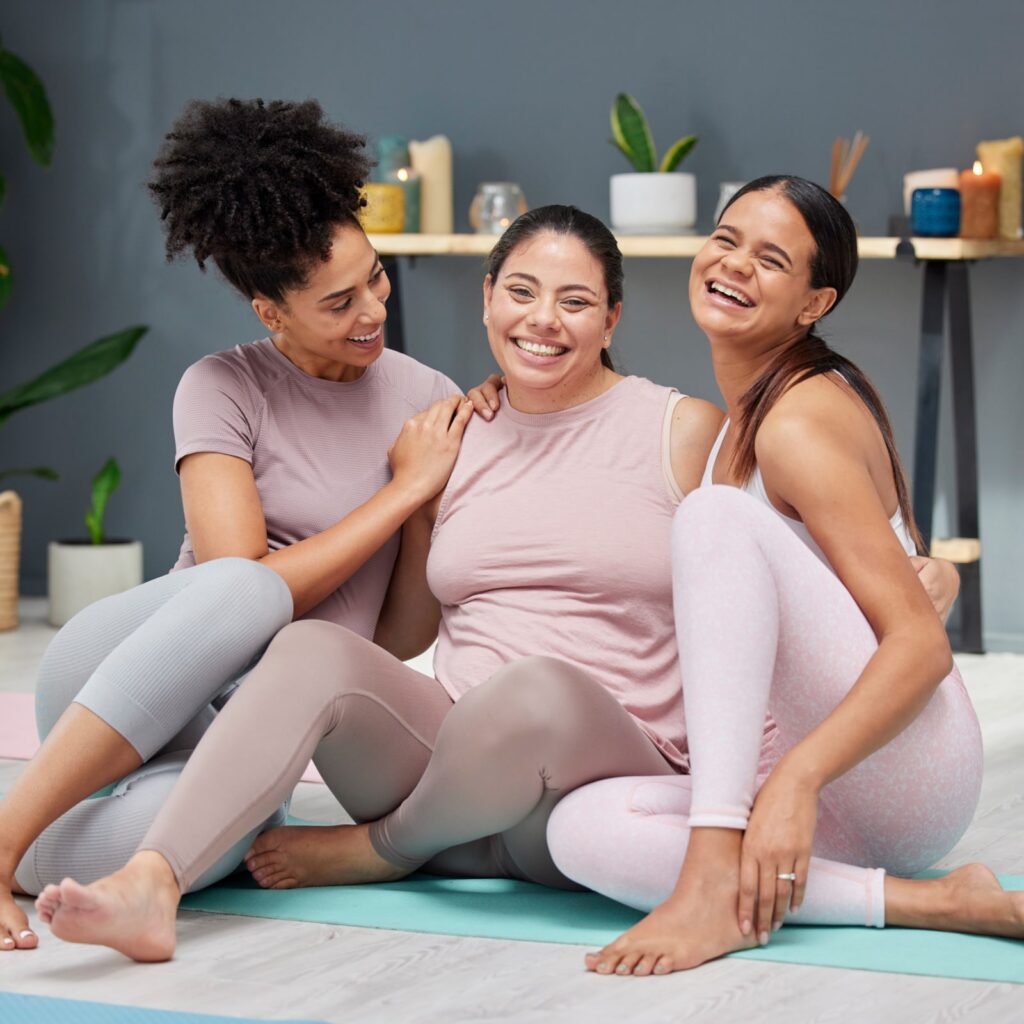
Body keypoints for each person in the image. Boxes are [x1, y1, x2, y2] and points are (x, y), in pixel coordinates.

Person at [32, 204, 735, 962]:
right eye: (522, 292)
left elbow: (752, 602)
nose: (544, 320)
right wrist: (417, 497)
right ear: (488, 297)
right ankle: (151, 883)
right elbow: (403, 634)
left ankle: (382, 848)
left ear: (612, 317)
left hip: (591, 780)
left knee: (537, 691)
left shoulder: (683, 429)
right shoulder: (453, 435)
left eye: (575, 301)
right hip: (448, 779)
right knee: (309, 646)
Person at [0, 96, 488, 952]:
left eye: (374, 277)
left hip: (240, 732)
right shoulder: (221, 386)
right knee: (242, 585)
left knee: (220, 851)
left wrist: (425, 505)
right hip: (117, 672)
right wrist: (399, 492)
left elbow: (401, 635)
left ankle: (47, 845)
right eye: (337, 303)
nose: (372, 310)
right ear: (271, 313)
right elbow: (242, 584)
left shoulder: (428, 397)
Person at [545, 176, 1022, 978]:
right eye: (727, 240)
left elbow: (920, 646)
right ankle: (930, 903)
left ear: (814, 302)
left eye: (771, 259)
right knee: (579, 829)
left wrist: (796, 781)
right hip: (821, 779)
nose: (733, 265)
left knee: (711, 518)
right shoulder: (743, 414)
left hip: (901, 769)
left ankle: (708, 883)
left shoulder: (798, 419)